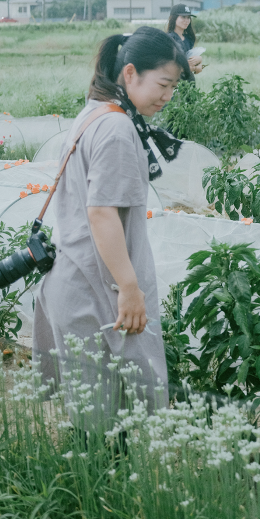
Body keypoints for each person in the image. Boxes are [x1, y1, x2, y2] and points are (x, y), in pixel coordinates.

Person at [33, 26, 193, 418]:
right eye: (163, 84)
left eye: (174, 88)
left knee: (93, 422)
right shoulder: (119, 129)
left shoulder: (95, 112)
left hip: (75, 283)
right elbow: (102, 213)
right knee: (104, 430)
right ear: (130, 73)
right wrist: (129, 288)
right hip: (96, 295)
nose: (168, 96)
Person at [166, 4, 204, 74]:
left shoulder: (188, 39)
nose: (186, 20)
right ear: (174, 18)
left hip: (189, 80)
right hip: (175, 82)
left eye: (188, 17)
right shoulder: (169, 39)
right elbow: (168, 65)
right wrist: (194, 68)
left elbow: (190, 59)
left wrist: (199, 60)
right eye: (183, 17)